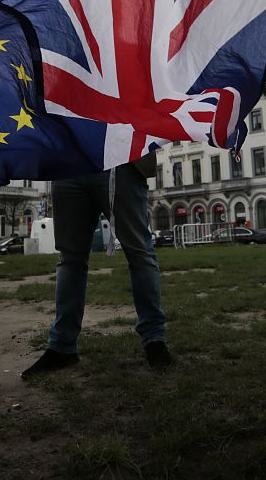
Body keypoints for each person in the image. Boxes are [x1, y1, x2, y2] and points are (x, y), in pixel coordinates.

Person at [22, 153, 171, 378]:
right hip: (69, 163)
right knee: (70, 258)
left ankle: (155, 340)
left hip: (120, 160)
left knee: (139, 252)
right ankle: (62, 346)